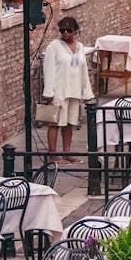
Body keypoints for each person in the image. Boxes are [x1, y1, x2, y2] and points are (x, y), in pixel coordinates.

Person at [41, 17, 94, 164]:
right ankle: (53, 155)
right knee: (55, 122)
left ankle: (67, 153)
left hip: (74, 90)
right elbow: (49, 69)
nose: (65, 33)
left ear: (75, 31)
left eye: (69, 30)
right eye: (62, 30)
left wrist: (86, 92)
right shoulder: (54, 47)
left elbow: (84, 70)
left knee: (70, 123)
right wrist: (48, 92)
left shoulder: (80, 47)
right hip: (59, 90)